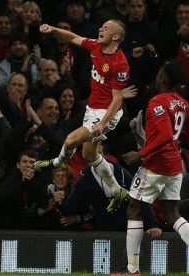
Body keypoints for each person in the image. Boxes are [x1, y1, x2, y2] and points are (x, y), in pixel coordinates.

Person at [114, 60, 189, 276]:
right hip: (175, 166)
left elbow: (166, 135)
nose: (157, 74)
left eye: (160, 71)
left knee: (134, 207)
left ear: (164, 78)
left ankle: (132, 270)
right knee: (172, 213)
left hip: (156, 164)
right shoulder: (183, 103)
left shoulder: (157, 102)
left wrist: (140, 153)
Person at [34, 19, 130, 212]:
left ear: (116, 36)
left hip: (107, 114)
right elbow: (73, 37)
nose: (101, 28)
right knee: (89, 155)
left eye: (106, 28)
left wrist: (103, 123)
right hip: (93, 110)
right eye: (101, 25)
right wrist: (52, 28)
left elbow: (117, 98)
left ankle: (56, 162)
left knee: (70, 141)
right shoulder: (95, 46)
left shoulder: (120, 64)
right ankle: (117, 190)